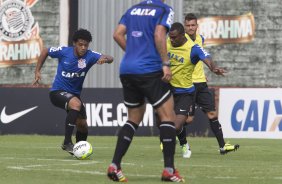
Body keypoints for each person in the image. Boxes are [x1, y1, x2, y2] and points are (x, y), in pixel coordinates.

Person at [107, 0, 184, 182]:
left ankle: (114, 165)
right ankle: (169, 170)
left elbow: (117, 34)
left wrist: (133, 53)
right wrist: (165, 63)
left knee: (133, 118)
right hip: (149, 70)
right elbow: (159, 34)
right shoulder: (164, 9)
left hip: (127, 69)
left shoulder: (132, 10)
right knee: (167, 117)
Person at [32, 28, 113, 155]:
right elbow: (45, 51)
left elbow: (110, 57)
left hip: (74, 95)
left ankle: (79, 150)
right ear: (74, 43)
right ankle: (67, 142)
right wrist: (37, 71)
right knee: (76, 104)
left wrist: (105, 59)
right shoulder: (64, 52)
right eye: (80, 44)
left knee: (82, 125)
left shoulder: (90, 55)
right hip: (57, 92)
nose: (83, 47)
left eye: (86, 45)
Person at [158, 22, 226, 159]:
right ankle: (184, 143)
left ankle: (183, 144)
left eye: (174, 37)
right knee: (165, 124)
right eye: (170, 37)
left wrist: (213, 68)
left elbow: (206, 58)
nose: (171, 40)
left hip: (185, 93)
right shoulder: (166, 43)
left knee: (176, 126)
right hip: (168, 91)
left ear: (182, 36)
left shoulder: (192, 48)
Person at [179, 13, 240, 154]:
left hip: (201, 83)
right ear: (184, 27)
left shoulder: (200, 39)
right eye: (187, 25)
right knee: (187, 120)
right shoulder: (182, 41)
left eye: (193, 25)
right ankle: (177, 141)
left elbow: (200, 58)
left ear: (196, 26)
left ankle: (222, 147)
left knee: (212, 114)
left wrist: (206, 72)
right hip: (188, 84)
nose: (190, 28)